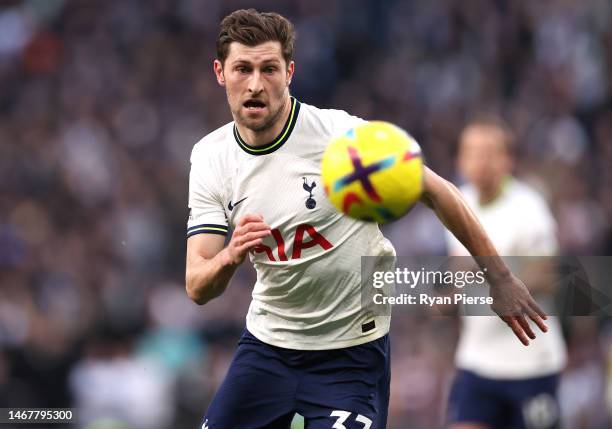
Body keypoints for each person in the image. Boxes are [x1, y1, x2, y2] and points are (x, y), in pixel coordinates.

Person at [185, 9, 547, 429]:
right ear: (219, 72)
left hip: (350, 356)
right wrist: (230, 255)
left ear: (290, 72)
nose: (255, 84)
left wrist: (499, 277)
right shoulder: (210, 158)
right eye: (242, 69)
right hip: (268, 349)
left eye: (269, 69)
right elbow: (197, 284)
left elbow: (436, 190)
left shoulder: (341, 137)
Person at [445, 116, 567, 429]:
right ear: (460, 159)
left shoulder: (529, 208)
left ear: (507, 160)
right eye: (472, 152)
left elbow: (547, 278)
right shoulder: (457, 203)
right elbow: (459, 273)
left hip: (529, 364)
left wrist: (488, 273)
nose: (480, 162)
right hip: (476, 361)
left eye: (489, 153)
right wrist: (447, 296)